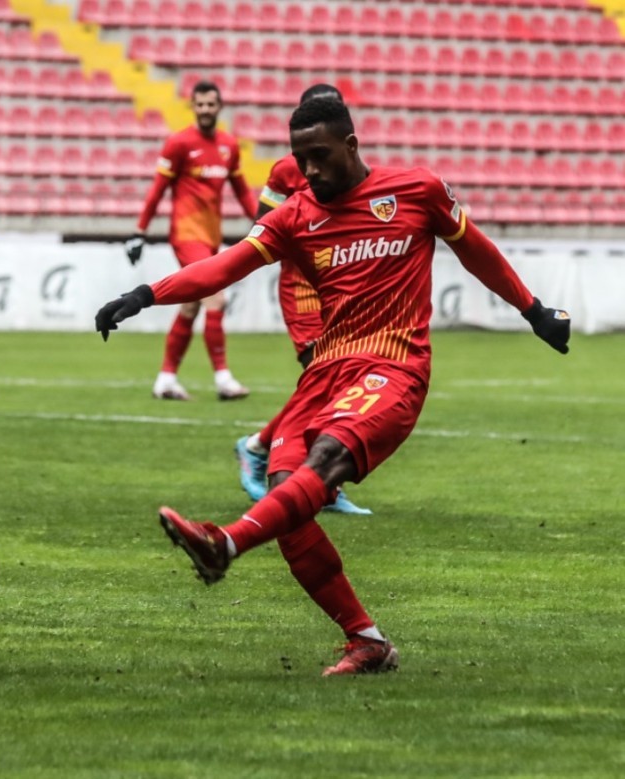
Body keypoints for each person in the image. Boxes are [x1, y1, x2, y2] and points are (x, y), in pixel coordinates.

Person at [96, 98, 570, 676]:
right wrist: (146, 294)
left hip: (392, 365)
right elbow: (227, 265)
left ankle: (225, 545)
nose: (310, 170)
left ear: (351, 144)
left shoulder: (417, 191)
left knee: (325, 461)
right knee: (287, 504)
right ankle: (366, 640)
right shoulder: (295, 214)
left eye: (319, 156)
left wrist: (533, 310)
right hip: (323, 373)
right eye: (301, 159)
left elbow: (476, 251)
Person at [234, 83, 370, 515]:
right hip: (301, 287)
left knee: (336, 382)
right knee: (324, 377)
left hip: (339, 286)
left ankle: (263, 449)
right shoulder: (284, 172)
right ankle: (313, 477)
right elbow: (262, 227)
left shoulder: (348, 166)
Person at [125, 80, 257, 401]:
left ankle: (166, 379)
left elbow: (241, 191)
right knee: (216, 299)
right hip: (186, 236)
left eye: (210, 104)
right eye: (200, 104)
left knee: (191, 306)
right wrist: (139, 231)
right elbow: (157, 190)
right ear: (193, 107)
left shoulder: (229, 145)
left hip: (210, 238)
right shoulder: (179, 143)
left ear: (219, 107)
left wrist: (264, 221)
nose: (205, 110)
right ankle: (224, 379)